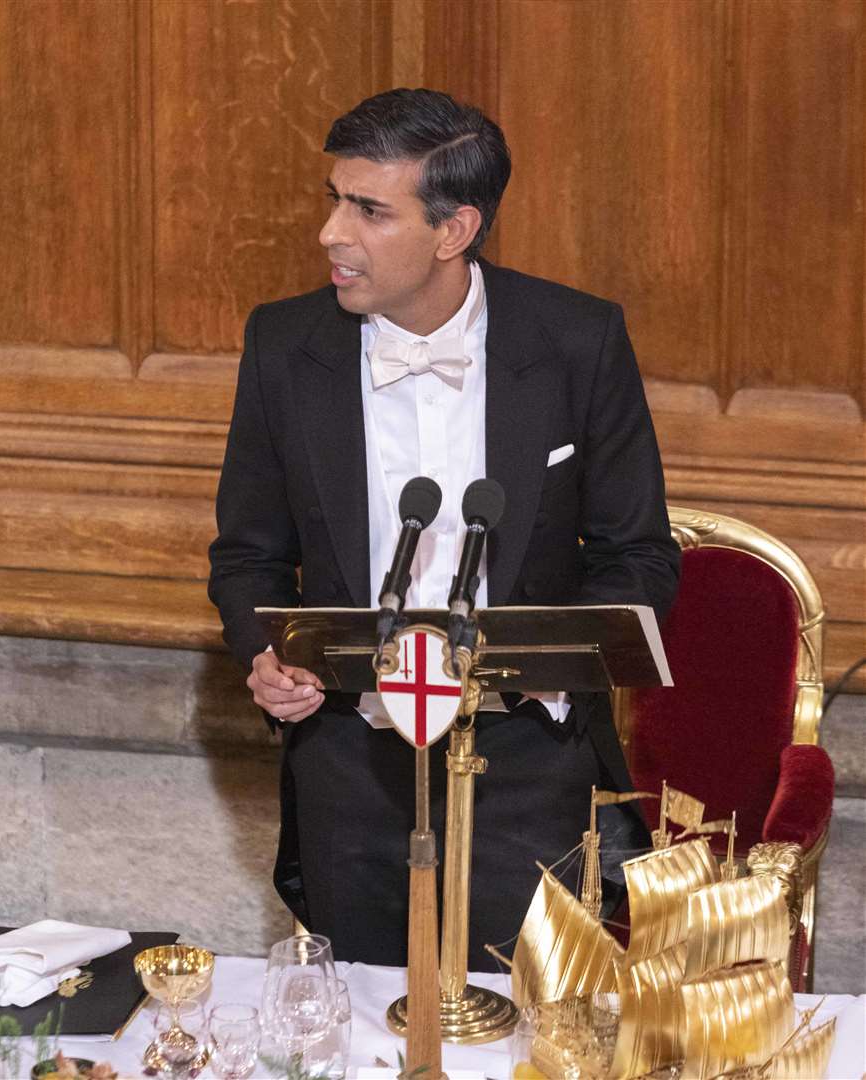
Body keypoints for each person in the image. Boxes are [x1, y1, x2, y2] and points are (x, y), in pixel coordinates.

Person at [207, 89, 678, 967]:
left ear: (453, 230)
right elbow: (247, 554)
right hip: (350, 760)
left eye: (369, 210)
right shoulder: (282, 343)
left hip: (526, 763)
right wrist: (262, 656)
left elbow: (637, 552)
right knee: (356, 1028)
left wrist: (561, 671)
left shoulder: (577, 338)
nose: (331, 234)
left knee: (522, 1029)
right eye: (333, 200)